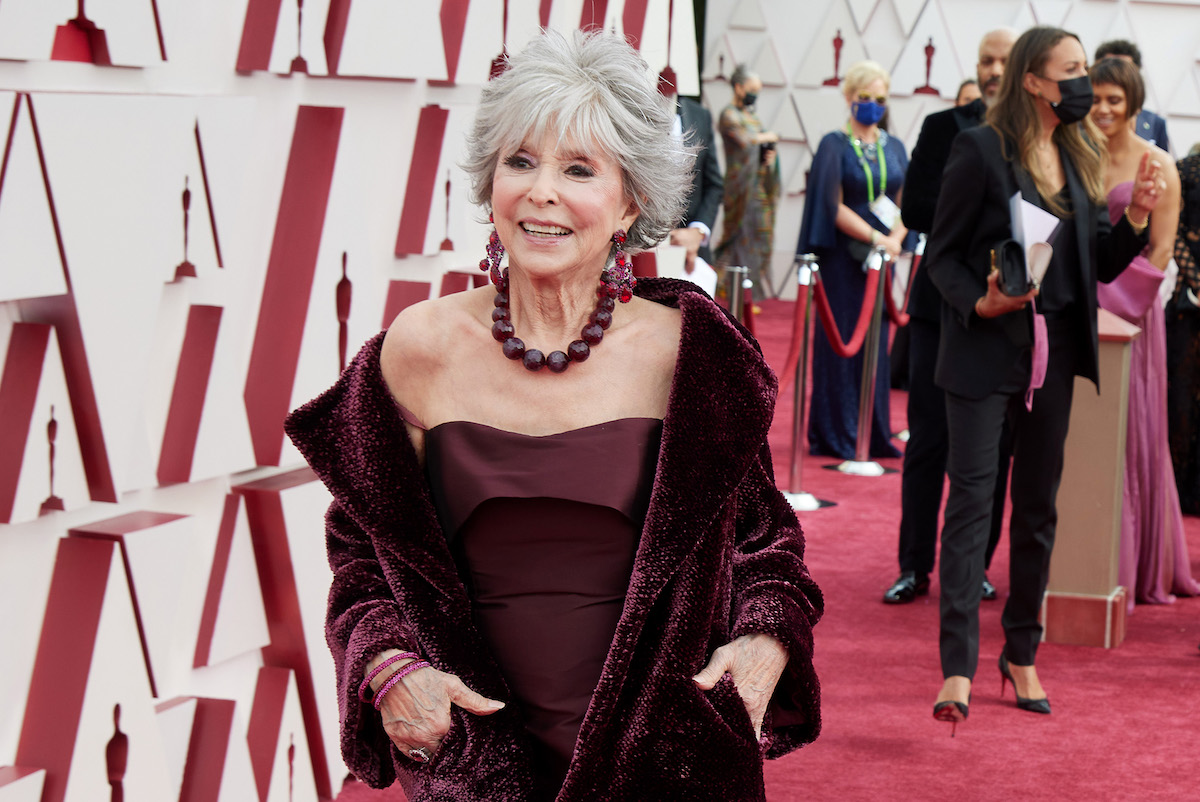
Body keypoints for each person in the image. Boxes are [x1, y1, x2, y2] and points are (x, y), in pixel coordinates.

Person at [284, 30, 822, 801]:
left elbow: (767, 547)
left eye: (578, 169)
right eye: (521, 162)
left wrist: (768, 640)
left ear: (630, 200)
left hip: (667, 765)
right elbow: (362, 557)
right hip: (479, 767)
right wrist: (389, 668)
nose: (542, 192)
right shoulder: (419, 347)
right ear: (490, 180)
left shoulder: (696, 359)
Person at [923, 26, 1164, 732]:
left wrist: (1139, 218)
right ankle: (959, 667)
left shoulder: (1075, 151)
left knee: (1038, 508)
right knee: (972, 508)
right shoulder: (980, 150)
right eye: (1072, 70)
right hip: (983, 351)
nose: (1084, 81)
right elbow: (941, 258)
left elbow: (1096, 265)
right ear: (1033, 80)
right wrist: (982, 300)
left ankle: (1021, 652)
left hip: (1055, 355)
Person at [885, 29, 1017, 606]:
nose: (991, 69)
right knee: (928, 444)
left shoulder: (1033, 137)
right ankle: (913, 566)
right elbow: (913, 208)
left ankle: (976, 567)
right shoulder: (943, 126)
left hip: (1005, 314)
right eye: (985, 59)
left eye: (1002, 61)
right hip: (939, 307)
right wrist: (976, 203)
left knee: (995, 451)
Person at [1090, 57, 1200, 608]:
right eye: (1096, 97)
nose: (1104, 108)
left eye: (1115, 98)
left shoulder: (1157, 163)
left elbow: (1160, 249)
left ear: (1133, 101)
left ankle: (1132, 564)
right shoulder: (1077, 152)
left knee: (1132, 432)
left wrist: (1113, 301)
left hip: (1132, 317)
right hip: (1077, 315)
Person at [798, 60, 911, 460]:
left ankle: (871, 430)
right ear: (849, 97)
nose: (873, 105)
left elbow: (905, 203)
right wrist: (878, 237)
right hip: (843, 263)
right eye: (866, 97)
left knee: (875, 346)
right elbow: (832, 204)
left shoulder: (894, 146)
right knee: (841, 342)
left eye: (880, 98)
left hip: (881, 262)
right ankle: (837, 433)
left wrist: (896, 239)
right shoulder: (834, 144)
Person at [715, 66, 780, 301]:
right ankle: (723, 289)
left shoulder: (753, 118)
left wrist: (769, 158)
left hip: (759, 187)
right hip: (739, 188)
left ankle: (746, 292)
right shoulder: (729, 115)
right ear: (739, 87)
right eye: (752, 90)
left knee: (759, 238)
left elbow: (758, 147)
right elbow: (745, 142)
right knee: (736, 238)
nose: (754, 95)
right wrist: (767, 137)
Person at [1169, 146, 1200, 513]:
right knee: (1181, 398)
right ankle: (1177, 488)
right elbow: (1170, 232)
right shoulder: (1186, 170)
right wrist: (1196, 279)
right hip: (1187, 304)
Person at [669, 93, 724, 295]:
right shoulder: (624, 107)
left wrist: (697, 231)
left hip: (688, 256)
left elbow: (714, 184)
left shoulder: (699, 115)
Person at [1094, 39, 1170, 152]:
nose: (1116, 76)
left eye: (1125, 70)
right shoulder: (1077, 124)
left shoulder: (1155, 122)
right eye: (1109, 69)